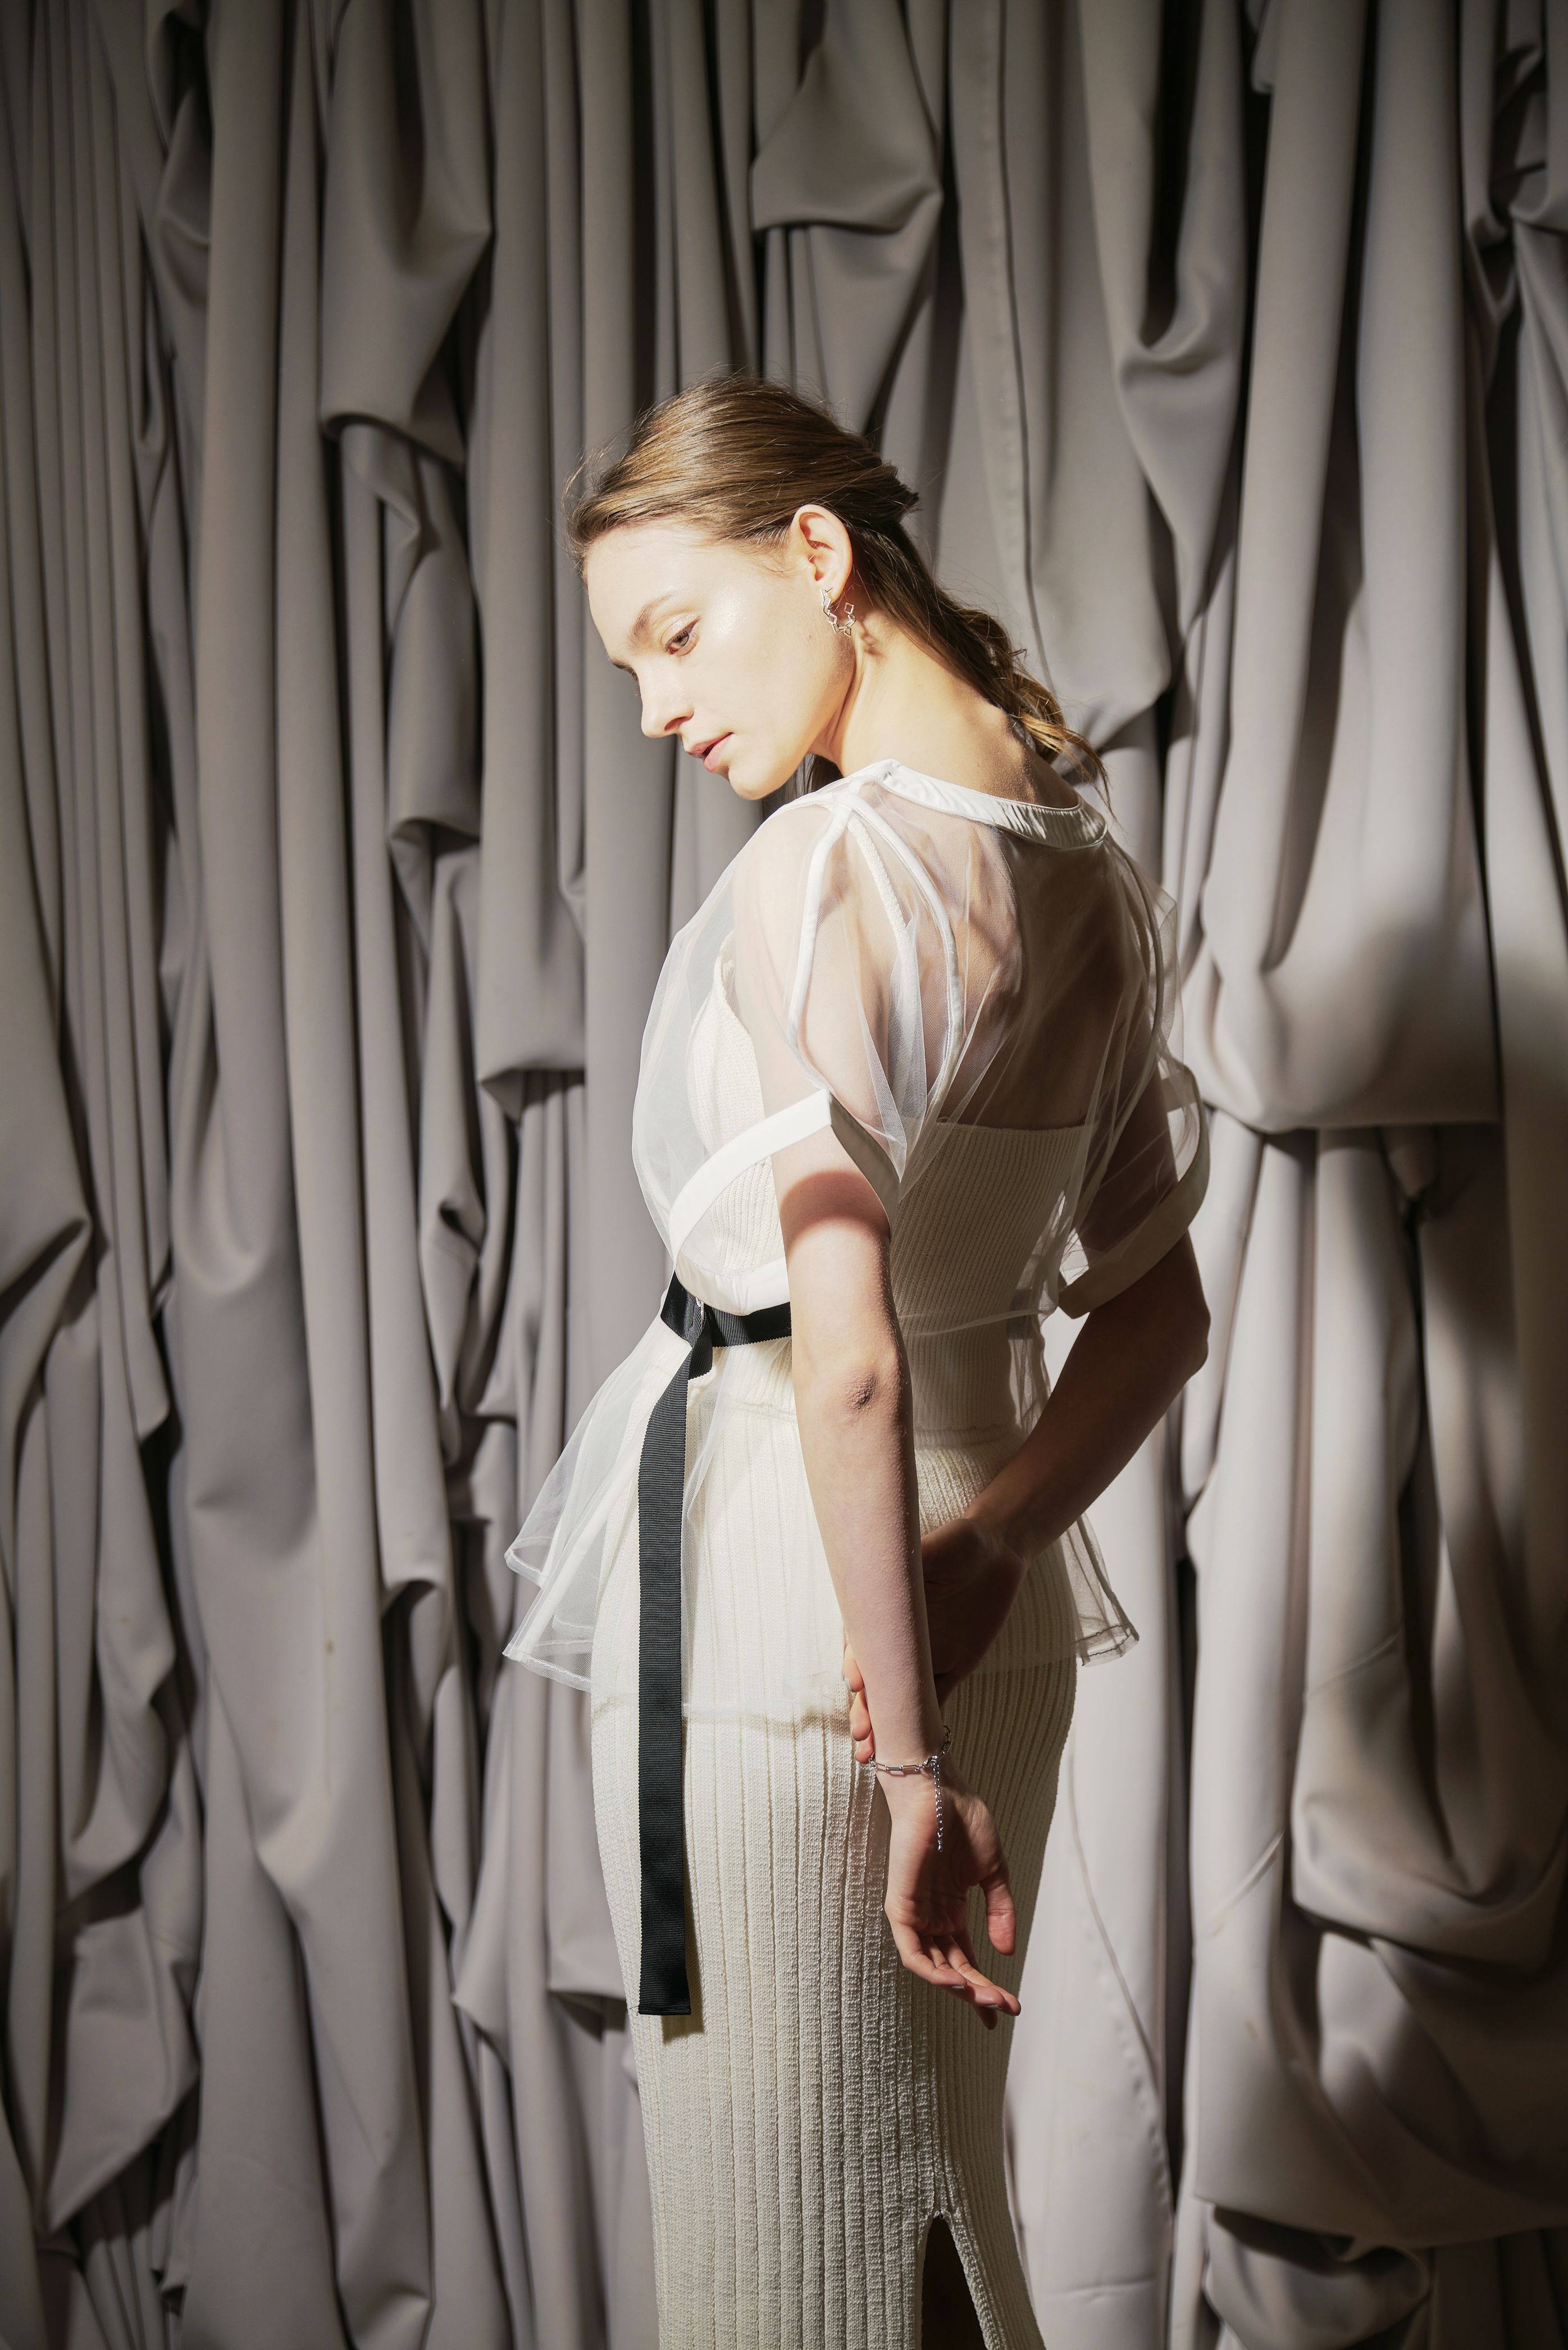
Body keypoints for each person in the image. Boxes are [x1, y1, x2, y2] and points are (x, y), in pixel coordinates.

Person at [504, 375, 1210, 2349]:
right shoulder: (1086, 871)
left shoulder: (826, 871)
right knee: (927, 2225)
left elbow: (850, 1370)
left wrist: (902, 1758)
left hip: (791, 1618)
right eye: (631, 667)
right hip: (975, 1605)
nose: (658, 707)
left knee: (784, 2258)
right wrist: (990, 1554)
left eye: (677, 633)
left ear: (816, 554)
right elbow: (1161, 1316)